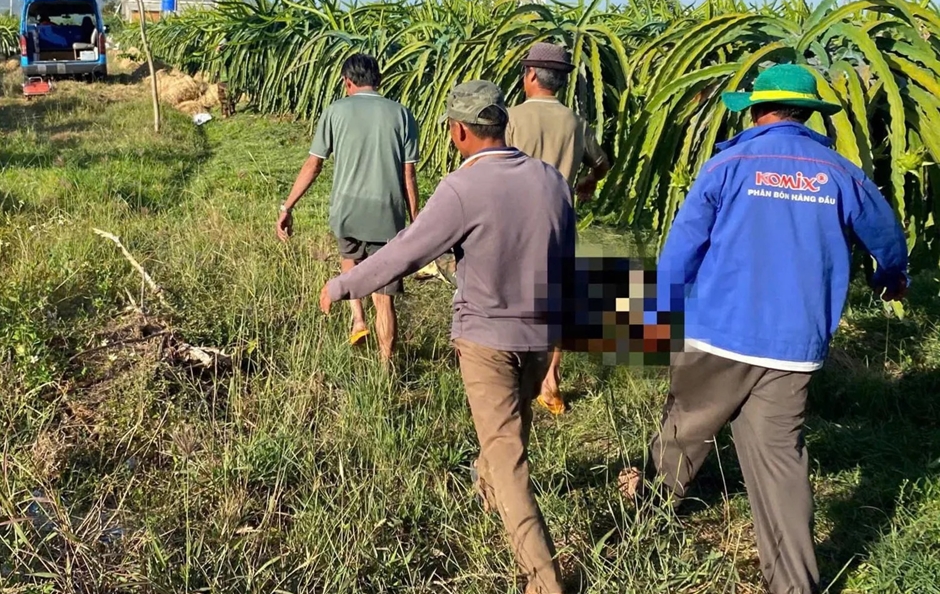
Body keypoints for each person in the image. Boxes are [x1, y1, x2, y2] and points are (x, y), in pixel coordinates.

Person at [621, 63, 910, 594]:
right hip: (794, 345)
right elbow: (886, 232)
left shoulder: (729, 164)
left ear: (756, 111)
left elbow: (684, 246)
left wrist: (656, 312)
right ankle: (795, 583)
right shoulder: (839, 172)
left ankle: (642, 525)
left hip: (718, 335)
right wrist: (891, 277)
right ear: (808, 115)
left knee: (685, 431)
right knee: (779, 460)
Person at [320, 81, 575, 594]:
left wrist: (345, 283)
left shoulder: (463, 187)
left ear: (459, 131)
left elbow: (405, 252)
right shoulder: (551, 181)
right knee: (510, 433)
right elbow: (566, 261)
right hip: (539, 333)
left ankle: (543, 581)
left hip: (487, 339)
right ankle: (489, 495)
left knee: (507, 455)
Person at [276, 53, 420, 363]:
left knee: (349, 260)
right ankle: (385, 366)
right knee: (384, 298)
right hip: (387, 214)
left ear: (347, 82)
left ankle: (357, 319)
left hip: (347, 211)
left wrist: (287, 206)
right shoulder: (402, 114)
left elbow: (314, 165)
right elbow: (409, 174)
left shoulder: (334, 112)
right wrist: (416, 222)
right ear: (377, 80)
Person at [506, 41, 613, 417]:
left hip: (515, 223)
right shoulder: (575, 122)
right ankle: (550, 380)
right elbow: (602, 164)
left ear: (531, 75)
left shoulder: (512, 119)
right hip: (560, 222)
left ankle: (515, 371)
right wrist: (587, 182)